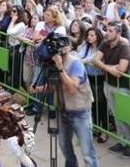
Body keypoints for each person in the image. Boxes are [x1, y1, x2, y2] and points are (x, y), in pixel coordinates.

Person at [48, 38, 100, 167]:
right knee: (64, 145)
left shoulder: (76, 63)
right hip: (63, 109)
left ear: (70, 48)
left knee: (87, 152)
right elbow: (54, 86)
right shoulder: (53, 62)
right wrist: (37, 88)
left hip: (80, 112)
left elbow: (72, 89)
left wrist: (60, 68)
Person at [94, 21, 130, 158]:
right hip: (108, 84)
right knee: (116, 115)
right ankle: (123, 141)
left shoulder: (124, 47)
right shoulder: (105, 43)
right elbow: (96, 60)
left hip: (122, 87)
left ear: (118, 33)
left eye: (111, 31)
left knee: (126, 116)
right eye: (107, 30)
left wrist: (104, 66)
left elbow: (121, 70)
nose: (107, 33)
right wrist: (108, 68)